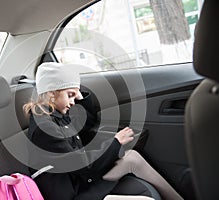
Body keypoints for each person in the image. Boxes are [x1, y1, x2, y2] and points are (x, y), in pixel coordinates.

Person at [23, 62, 183, 200]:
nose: (73, 102)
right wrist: (115, 142)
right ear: (51, 93)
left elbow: (85, 126)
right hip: (74, 193)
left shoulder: (56, 116)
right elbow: (83, 166)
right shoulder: (45, 128)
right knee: (135, 169)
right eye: (70, 95)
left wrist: (80, 96)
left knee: (133, 157)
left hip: (79, 182)